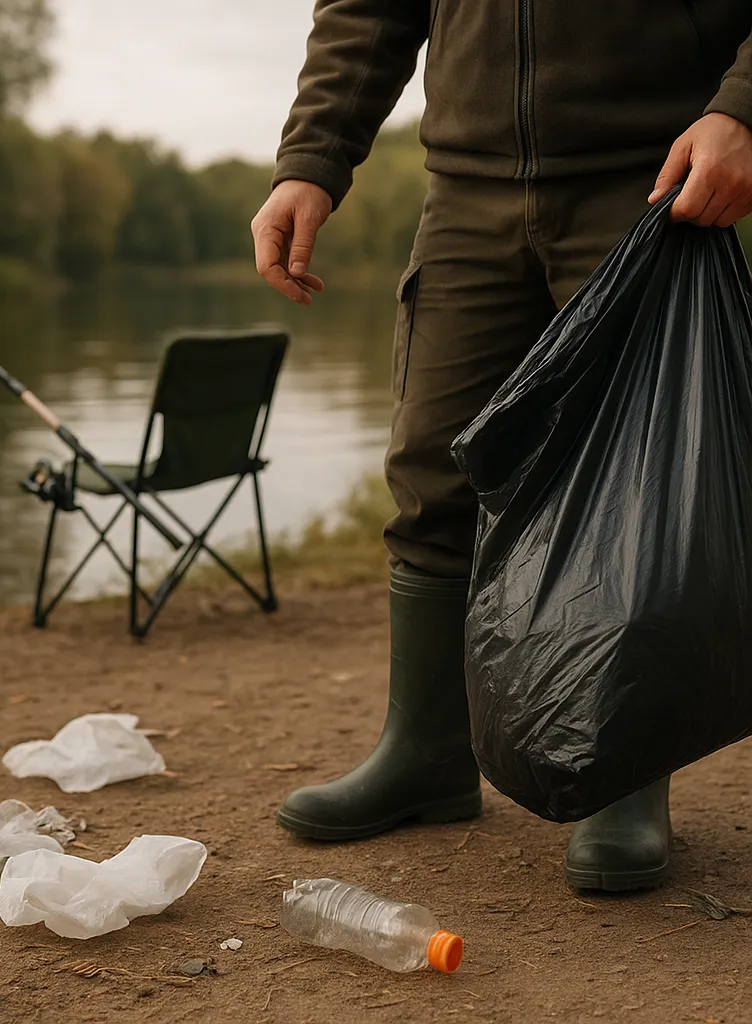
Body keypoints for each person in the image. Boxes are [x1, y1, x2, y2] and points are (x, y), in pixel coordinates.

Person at [251, 1, 752, 892]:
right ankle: (429, 752)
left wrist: (743, 106)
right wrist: (312, 159)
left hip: (650, 178)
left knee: (631, 491)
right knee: (431, 474)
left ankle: (622, 778)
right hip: (465, 190)